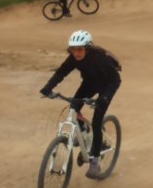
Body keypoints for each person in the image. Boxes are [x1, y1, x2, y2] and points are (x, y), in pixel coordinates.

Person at [40, 30, 122, 179]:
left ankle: (95, 160)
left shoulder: (100, 59)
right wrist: (47, 88)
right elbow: (61, 73)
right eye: (73, 49)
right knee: (73, 107)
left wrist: (103, 98)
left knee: (97, 122)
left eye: (80, 49)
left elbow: (115, 80)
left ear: (88, 49)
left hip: (108, 84)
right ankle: (83, 131)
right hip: (90, 83)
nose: (76, 53)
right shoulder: (73, 58)